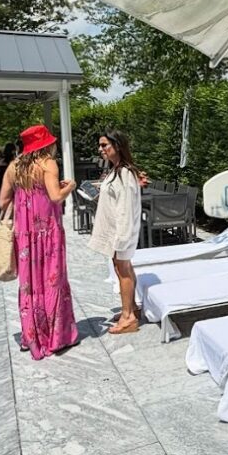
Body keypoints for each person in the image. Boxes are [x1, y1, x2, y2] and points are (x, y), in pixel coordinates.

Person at [0, 124, 78, 360]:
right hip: (48, 233)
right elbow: (55, 196)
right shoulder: (47, 164)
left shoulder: (14, 167)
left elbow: (3, 202)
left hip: (25, 235)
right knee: (52, 281)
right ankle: (55, 337)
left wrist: (26, 196)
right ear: (45, 144)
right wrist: (70, 186)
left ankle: (32, 337)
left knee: (29, 285)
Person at [87, 129, 142, 334]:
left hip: (122, 233)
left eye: (104, 145)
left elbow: (126, 208)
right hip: (116, 232)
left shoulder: (124, 173)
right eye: (100, 145)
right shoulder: (116, 170)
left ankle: (128, 318)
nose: (100, 149)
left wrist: (122, 238)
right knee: (123, 269)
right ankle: (132, 307)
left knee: (123, 270)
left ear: (117, 146)